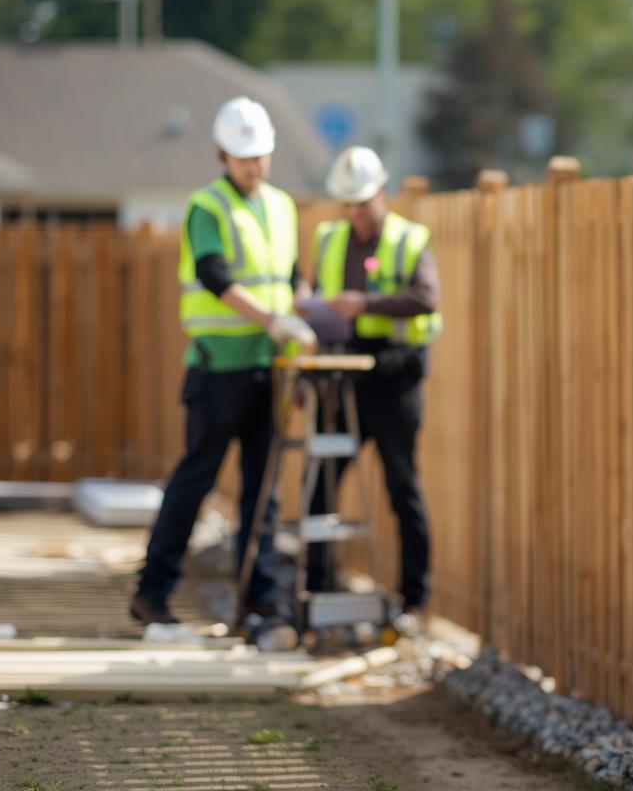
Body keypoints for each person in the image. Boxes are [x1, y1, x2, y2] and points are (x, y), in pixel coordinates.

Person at [131, 96, 318, 626]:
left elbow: (290, 274)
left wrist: (302, 305)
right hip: (219, 367)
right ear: (223, 155)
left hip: (268, 366)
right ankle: (152, 593)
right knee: (196, 480)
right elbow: (215, 277)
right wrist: (272, 320)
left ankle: (256, 600)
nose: (254, 166)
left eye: (261, 156)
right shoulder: (206, 207)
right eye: (243, 157)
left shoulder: (281, 206)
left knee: (264, 490)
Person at [304, 146, 441, 630]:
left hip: (394, 377)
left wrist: (364, 304)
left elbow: (426, 297)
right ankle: (317, 584)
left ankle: (413, 597)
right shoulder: (330, 239)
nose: (355, 213)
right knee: (318, 483)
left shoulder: (408, 239)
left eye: (362, 202)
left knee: (401, 485)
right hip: (344, 379)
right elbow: (314, 297)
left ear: (381, 192)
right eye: (348, 204)